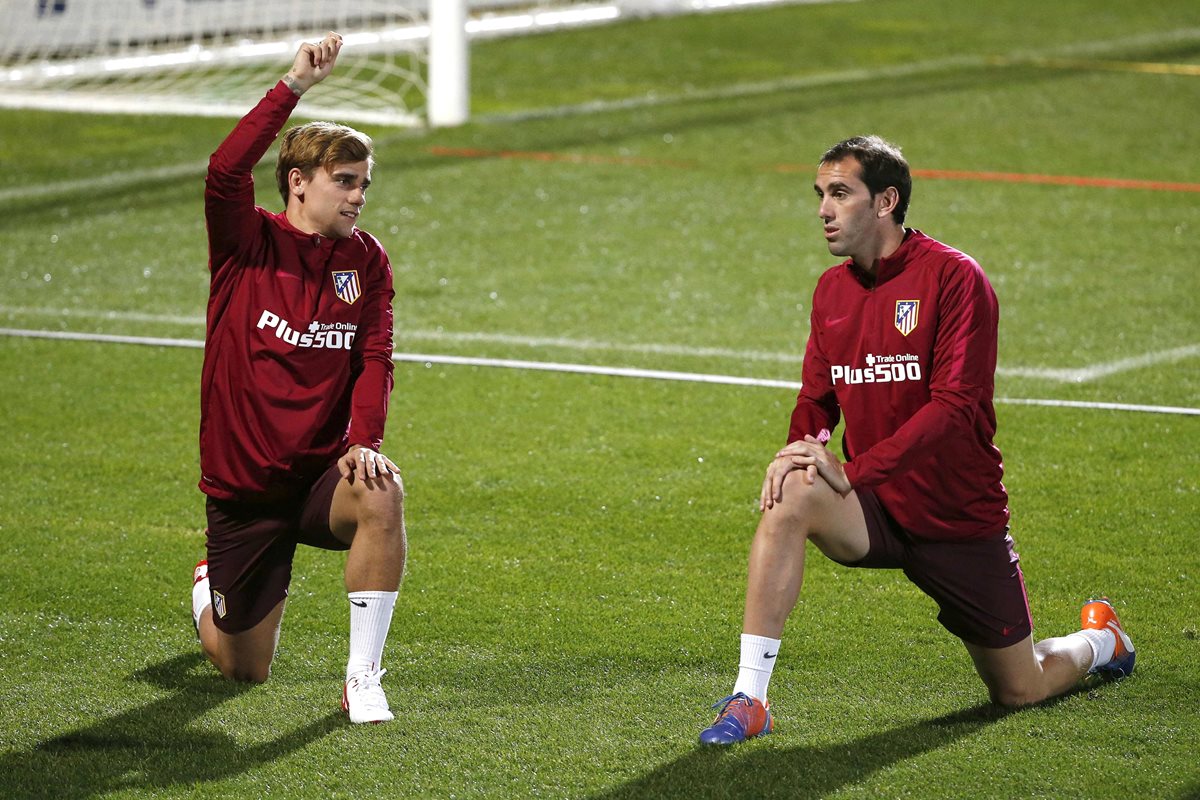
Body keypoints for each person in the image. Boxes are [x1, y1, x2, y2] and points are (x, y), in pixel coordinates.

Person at [698, 135, 1134, 745]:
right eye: (820, 194)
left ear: (886, 201)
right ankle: (751, 697)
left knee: (1020, 689)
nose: (823, 208)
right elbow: (818, 399)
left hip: (957, 516)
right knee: (792, 491)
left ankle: (1102, 640)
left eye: (840, 193)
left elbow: (955, 408)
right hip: (874, 508)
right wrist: (803, 447)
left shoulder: (955, 278)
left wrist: (854, 470)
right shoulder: (831, 291)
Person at [189, 32, 406, 725]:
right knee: (241, 669)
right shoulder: (247, 243)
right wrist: (293, 87)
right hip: (245, 488)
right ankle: (207, 589)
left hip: (319, 476)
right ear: (299, 183)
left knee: (381, 489)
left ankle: (362, 678)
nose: (358, 197)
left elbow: (376, 356)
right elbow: (225, 172)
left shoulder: (366, 262)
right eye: (346, 182)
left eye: (364, 184)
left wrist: (363, 438)